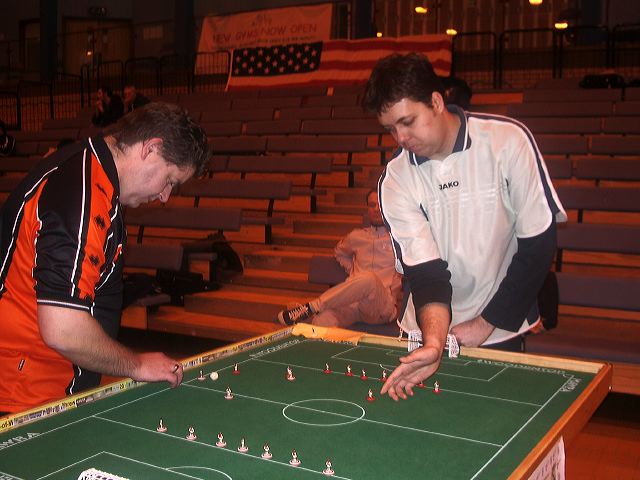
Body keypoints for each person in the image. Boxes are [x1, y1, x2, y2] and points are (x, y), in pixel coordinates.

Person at [361, 53, 566, 401]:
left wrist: (486, 323)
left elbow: (538, 246)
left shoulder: (508, 142)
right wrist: (435, 342)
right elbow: (426, 273)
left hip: (500, 326)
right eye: (391, 129)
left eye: (407, 122)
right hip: (425, 330)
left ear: (436, 102)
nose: (400, 137)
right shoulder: (396, 179)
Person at [0, 102, 210, 415]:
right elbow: (62, 329)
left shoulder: (90, 176)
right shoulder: (83, 194)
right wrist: (137, 364)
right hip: (26, 398)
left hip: (44, 389)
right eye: (170, 180)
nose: (165, 196)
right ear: (151, 148)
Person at [277, 189, 402, 328]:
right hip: (353, 304)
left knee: (369, 279)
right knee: (323, 321)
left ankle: (312, 307)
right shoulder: (356, 236)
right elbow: (339, 253)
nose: (376, 209)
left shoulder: (399, 239)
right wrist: (352, 271)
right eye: (372, 205)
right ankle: (311, 317)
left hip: (381, 306)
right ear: (367, 209)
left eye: (380, 204)